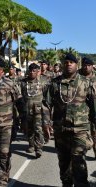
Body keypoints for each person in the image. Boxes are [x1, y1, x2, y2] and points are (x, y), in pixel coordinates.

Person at [44, 53, 95, 187]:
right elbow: (46, 104)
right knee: (64, 163)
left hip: (80, 129)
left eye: (71, 62)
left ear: (76, 64)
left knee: (78, 161)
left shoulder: (85, 82)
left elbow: (94, 105)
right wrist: (46, 122)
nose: (68, 64)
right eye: (66, 62)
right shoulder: (55, 83)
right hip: (61, 130)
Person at [20, 63, 49, 158]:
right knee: (29, 129)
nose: (32, 72)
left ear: (37, 72)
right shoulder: (23, 82)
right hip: (27, 110)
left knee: (38, 129)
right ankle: (31, 145)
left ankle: (39, 148)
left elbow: (46, 96)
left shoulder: (43, 82)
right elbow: (21, 96)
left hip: (38, 110)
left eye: (34, 71)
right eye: (30, 70)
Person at [78, 57, 96, 159]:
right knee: (82, 135)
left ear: (92, 66)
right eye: (84, 65)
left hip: (94, 111)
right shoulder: (77, 76)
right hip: (80, 113)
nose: (86, 67)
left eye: (88, 65)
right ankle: (81, 153)